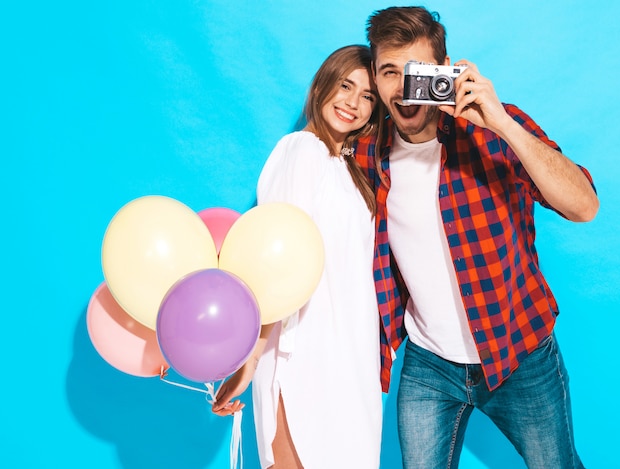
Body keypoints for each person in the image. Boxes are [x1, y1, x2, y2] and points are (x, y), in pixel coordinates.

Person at [354, 6, 599, 469]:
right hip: (429, 365)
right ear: (375, 76)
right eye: (390, 72)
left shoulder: (493, 129)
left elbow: (584, 206)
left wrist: (503, 125)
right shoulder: (369, 151)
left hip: (520, 351)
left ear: (445, 72)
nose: (404, 88)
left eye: (417, 73)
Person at [212, 45, 386, 469]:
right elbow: (278, 260)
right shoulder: (301, 151)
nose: (354, 104)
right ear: (322, 84)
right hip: (302, 347)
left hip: (352, 352)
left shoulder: (351, 169)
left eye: (368, 97)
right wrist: (250, 359)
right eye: (346, 86)